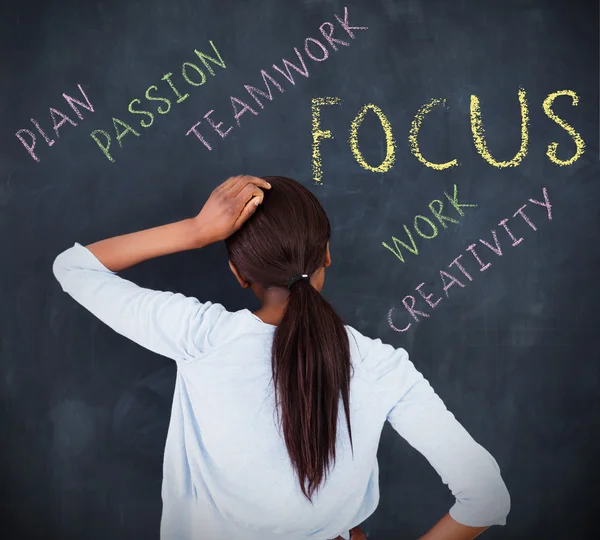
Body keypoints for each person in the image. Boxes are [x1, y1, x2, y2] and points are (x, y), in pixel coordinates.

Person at [52, 175, 510, 540]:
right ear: (327, 254)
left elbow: (73, 268)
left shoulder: (199, 337)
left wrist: (197, 231)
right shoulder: (381, 366)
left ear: (237, 272)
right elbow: (486, 496)